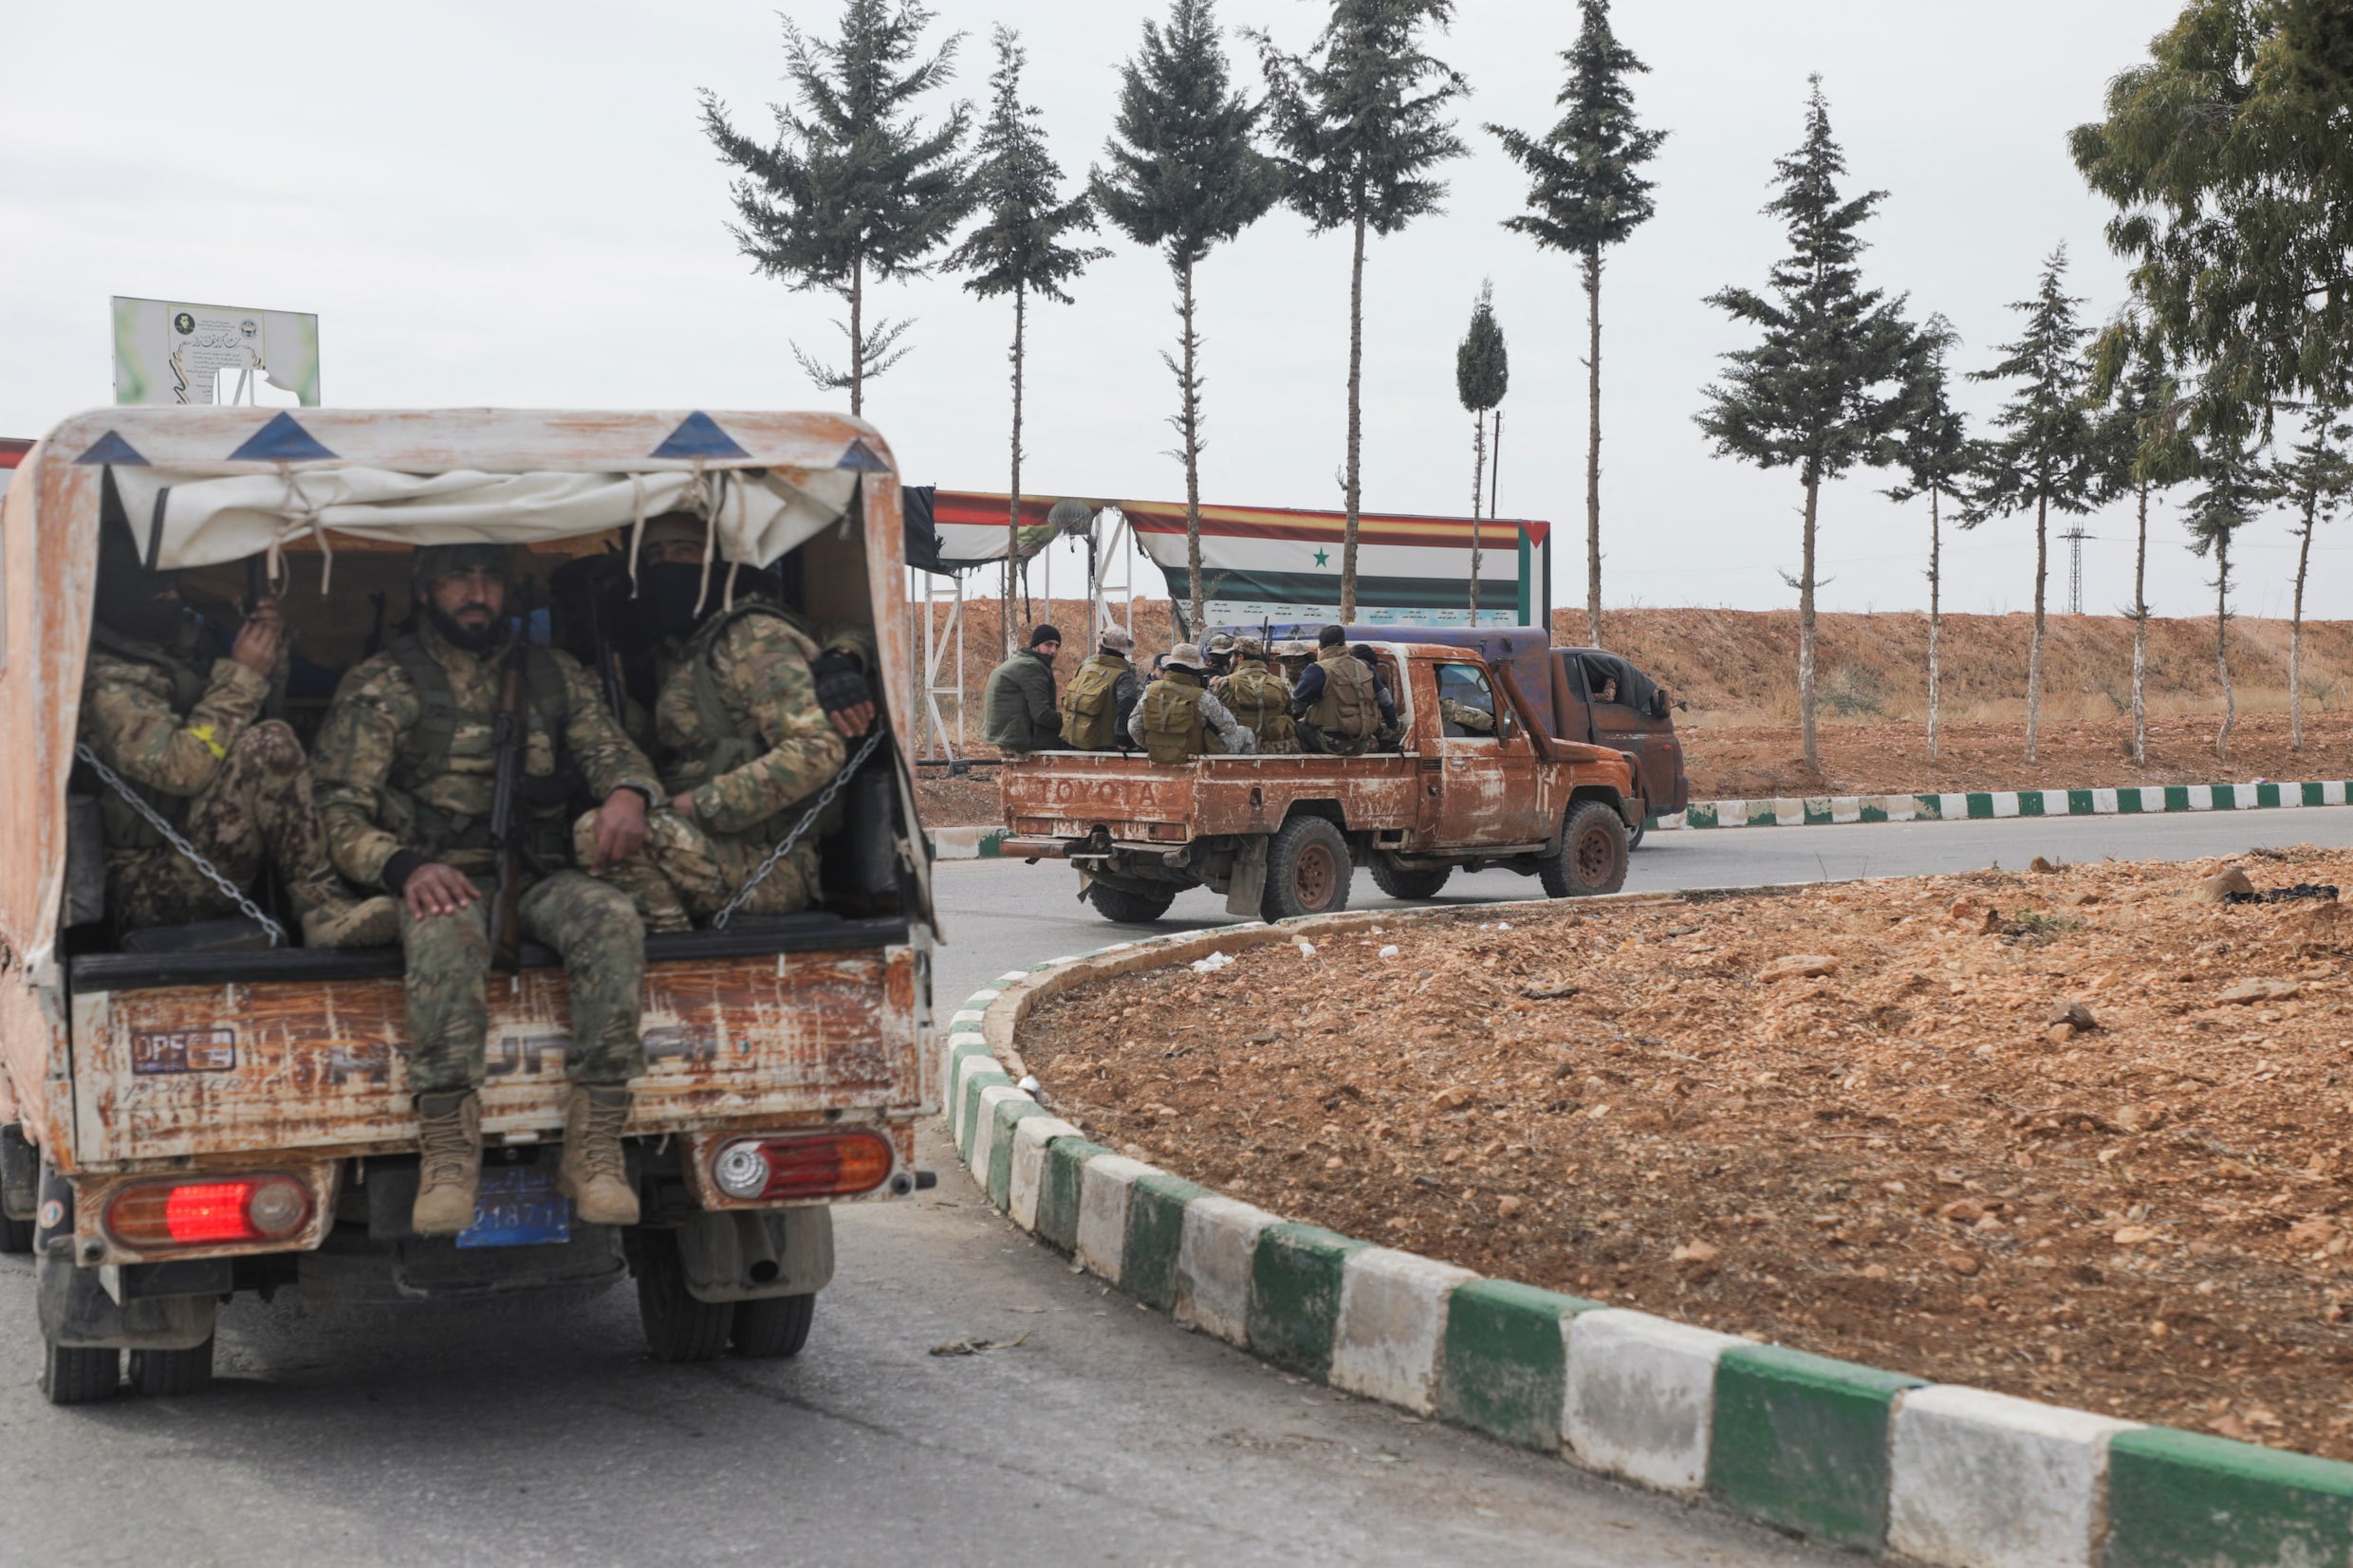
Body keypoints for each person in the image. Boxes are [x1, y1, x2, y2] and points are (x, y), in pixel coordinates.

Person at [313, 544, 663, 1235]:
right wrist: (404, 865)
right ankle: (449, 1153)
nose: (477, 592)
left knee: (612, 916)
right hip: (439, 874)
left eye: (491, 578)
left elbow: (612, 750)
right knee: (446, 929)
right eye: (457, 576)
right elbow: (337, 809)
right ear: (424, 590)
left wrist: (629, 792)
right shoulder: (385, 683)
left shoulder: (551, 672)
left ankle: (593, 1148)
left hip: (534, 872)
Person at [78, 515, 395, 949]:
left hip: (194, 845)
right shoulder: (105, 682)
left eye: (176, 588)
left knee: (282, 737)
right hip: (143, 882)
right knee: (269, 743)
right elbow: (183, 768)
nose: (174, 601)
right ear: (118, 598)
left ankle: (330, 898)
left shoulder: (176, 645)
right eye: (161, 593)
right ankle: (319, 904)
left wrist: (267, 651)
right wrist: (244, 675)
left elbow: (249, 717)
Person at [583, 512, 851, 933]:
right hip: (711, 846)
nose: (667, 564)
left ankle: (672, 963)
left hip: (772, 864)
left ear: (720, 562)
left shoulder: (752, 636)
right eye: (655, 555)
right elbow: (671, 747)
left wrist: (701, 806)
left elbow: (816, 749)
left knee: (597, 834)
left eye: (683, 551)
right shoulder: (684, 647)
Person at [1129, 643, 1256, 762]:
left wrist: (1155, 746)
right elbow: (1230, 726)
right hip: (1193, 755)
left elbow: (1133, 727)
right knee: (1246, 733)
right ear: (1196, 669)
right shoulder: (1202, 696)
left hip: (1156, 753)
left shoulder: (1150, 690)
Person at [1289, 625, 1397, 756]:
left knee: (1297, 728)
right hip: (1366, 742)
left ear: (1321, 646)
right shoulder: (1365, 667)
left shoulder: (1317, 669)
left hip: (1333, 743)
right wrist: (1393, 728)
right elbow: (1386, 701)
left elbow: (1296, 707)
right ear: (1343, 643)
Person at [983, 625, 1065, 757]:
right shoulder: (1032, 667)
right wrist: (1069, 722)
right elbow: (1042, 715)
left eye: (1057, 646)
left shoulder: (1020, 661)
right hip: (1019, 738)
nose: (1053, 650)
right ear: (1035, 645)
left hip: (1005, 734)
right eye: (1048, 644)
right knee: (1076, 743)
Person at [1059, 625, 1143, 751]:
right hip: (1104, 747)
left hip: (1072, 741)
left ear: (1101, 646)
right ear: (1125, 651)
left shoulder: (1085, 668)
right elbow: (1126, 709)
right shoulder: (1124, 676)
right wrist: (1123, 740)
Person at [1210, 635, 1296, 753]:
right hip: (1276, 749)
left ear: (1240, 658)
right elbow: (1290, 712)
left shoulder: (1226, 682)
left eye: (1231, 656)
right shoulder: (1279, 683)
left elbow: (1213, 716)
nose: (1230, 660)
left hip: (1241, 749)